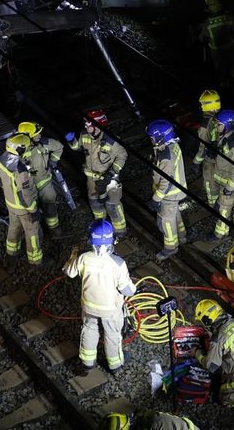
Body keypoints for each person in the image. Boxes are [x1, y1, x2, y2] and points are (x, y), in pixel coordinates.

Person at [63, 220, 138, 374]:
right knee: (112, 335)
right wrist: (134, 288)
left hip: (89, 306)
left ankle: (87, 362)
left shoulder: (84, 258)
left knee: (89, 329)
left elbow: (69, 273)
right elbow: (128, 290)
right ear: (112, 240)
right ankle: (115, 365)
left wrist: (73, 256)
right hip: (110, 311)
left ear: (91, 240)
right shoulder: (118, 263)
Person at [69, 108, 127, 235]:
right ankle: (100, 227)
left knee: (112, 206)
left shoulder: (111, 140)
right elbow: (76, 147)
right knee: (95, 204)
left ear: (97, 126)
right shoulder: (84, 134)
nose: (85, 125)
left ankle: (120, 230)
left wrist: (111, 173)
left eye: (88, 124)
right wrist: (71, 141)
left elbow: (122, 156)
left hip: (108, 180)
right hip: (91, 179)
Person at [0, 132, 43, 264]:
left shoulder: (3, 158)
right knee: (32, 233)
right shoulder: (21, 170)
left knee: (13, 227)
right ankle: (35, 261)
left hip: (10, 204)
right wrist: (33, 210)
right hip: (24, 209)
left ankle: (12, 253)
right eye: (25, 147)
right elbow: (25, 194)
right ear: (19, 148)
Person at [147, 119, 188, 259]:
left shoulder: (166, 156)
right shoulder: (172, 145)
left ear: (160, 138)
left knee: (167, 221)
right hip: (175, 192)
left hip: (169, 194)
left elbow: (165, 183)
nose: (150, 140)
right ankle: (182, 236)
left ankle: (171, 247)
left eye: (152, 138)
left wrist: (155, 199)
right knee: (174, 214)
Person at [17, 120, 67, 230]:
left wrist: (53, 162)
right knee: (31, 213)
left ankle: (54, 229)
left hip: (45, 183)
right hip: (29, 188)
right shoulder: (18, 150)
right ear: (28, 137)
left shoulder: (44, 143)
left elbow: (59, 147)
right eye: (36, 134)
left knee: (50, 207)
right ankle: (36, 231)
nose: (40, 135)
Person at [207, 109, 234, 238]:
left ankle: (219, 234)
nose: (217, 126)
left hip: (230, 183)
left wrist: (229, 188)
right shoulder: (227, 137)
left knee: (224, 208)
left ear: (228, 125)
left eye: (219, 124)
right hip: (229, 181)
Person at [198, 0, 234, 85]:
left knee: (221, 71)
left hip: (217, 54)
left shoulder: (207, 24)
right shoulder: (229, 18)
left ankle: (224, 86)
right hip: (231, 50)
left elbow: (202, 38)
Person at [192, 89, 225, 207]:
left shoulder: (205, 126)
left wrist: (196, 162)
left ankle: (213, 206)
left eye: (202, 104)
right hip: (224, 160)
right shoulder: (224, 119)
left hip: (210, 161)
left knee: (210, 183)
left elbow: (202, 148)